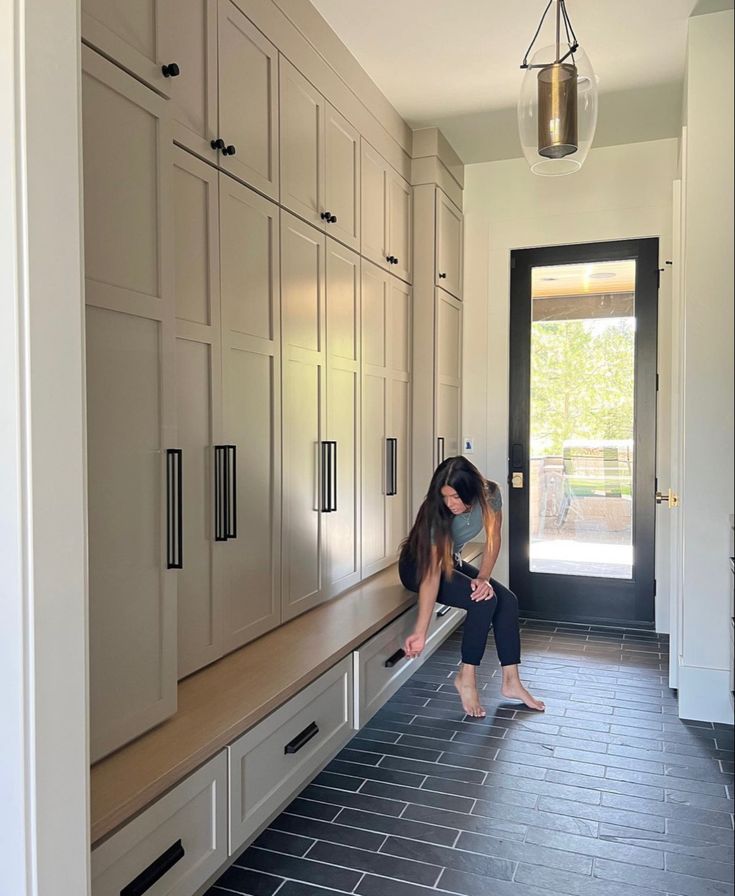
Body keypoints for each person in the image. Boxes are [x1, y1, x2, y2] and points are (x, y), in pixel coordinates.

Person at [399, 456, 545, 718]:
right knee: (485, 600)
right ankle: (466, 678)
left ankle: (512, 681)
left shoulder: (490, 494)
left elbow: (493, 537)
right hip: (418, 568)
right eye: (445, 497)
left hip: (451, 563)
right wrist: (421, 631)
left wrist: (484, 578)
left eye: (455, 496)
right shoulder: (435, 511)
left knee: (507, 600)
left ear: (470, 490)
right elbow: (432, 575)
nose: (450, 503)